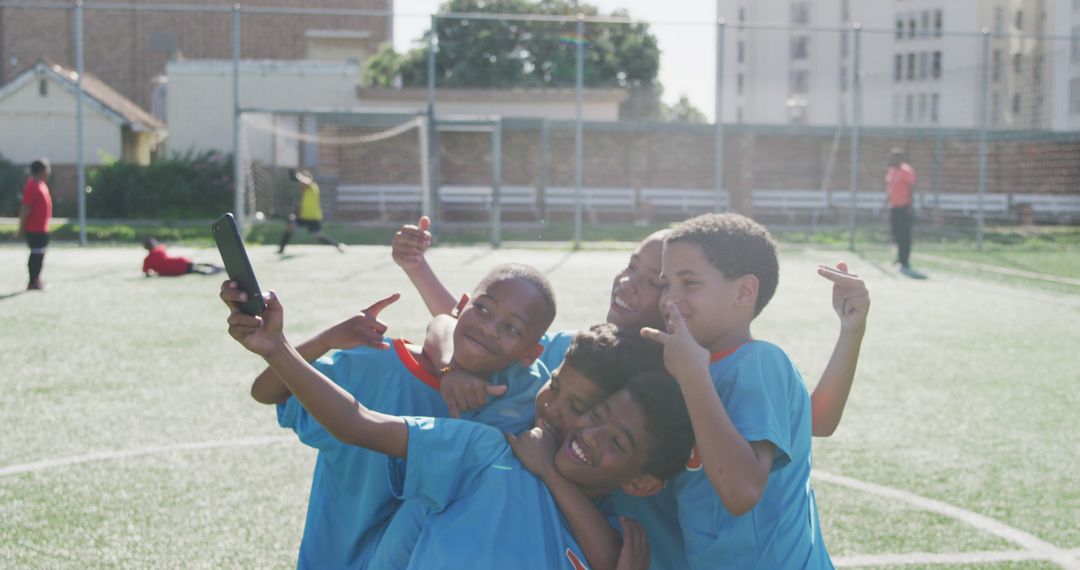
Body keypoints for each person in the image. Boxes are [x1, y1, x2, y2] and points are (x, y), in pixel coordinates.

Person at [392, 216, 869, 569]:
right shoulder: (631, 362)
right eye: (640, 271)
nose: (661, 295)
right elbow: (479, 332)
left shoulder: (737, 364)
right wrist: (452, 362)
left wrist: (851, 332)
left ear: (744, 292)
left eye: (670, 282)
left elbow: (749, 483)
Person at [221, 283, 694, 570]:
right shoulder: (489, 446)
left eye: (589, 412)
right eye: (594, 417)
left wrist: (550, 472)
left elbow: (612, 557)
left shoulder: (605, 522)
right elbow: (358, 421)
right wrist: (279, 347)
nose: (581, 428)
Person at [223, 263, 557, 569]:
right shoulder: (374, 363)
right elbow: (267, 392)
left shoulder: (521, 398)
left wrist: (449, 365)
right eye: (482, 309)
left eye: (512, 328)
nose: (489, 328)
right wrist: (322, 339)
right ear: (462, 306)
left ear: (530, 353)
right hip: (333, 557)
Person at [640, 212, 832, 568]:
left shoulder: (759, 363)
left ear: (744, 291)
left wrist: (693, 376)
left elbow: (741, 491)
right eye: (666, 284)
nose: (669, 299)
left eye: (690, 283)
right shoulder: (690, 365)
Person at [278, 168, 345, 254]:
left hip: (313, 218)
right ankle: (281, 249)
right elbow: (302, 208)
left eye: (305, 178)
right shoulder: (304, 193)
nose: (301, 182)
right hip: (304, 218)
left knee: (319, 236)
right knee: (290, 226)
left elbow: (307, 182)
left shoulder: (313, 187)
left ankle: (337, 245)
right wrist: (296, 215)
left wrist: (298, 176)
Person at [16, 158, 52, 291]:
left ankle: (37, 279)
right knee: (36, 254)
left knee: (40, 254)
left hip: (42, 227)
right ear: (42, 170)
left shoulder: (41, 184)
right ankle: (32, 281)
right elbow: (25, 208)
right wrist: (20, 228)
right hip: (34, 228)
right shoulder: (32, 185)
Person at [885, 148, 917, 275]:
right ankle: (899, 257)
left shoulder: (906, 171)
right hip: (894, 206)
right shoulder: (892, 171)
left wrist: (910, 205)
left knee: (905, 235)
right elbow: (890, 189)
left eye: (896, 157)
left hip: (904, 207)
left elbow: (911, 188)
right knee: (896, 234)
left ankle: (905, 260)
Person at [142, 237, 223, 276]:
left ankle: (211, 272)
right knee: (198, 265)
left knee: (195, 270)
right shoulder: (160, 249)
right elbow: (163, 248)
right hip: (180, 262)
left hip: (174, 271)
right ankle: (217, 268)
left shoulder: (147, 260)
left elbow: (147, 273)